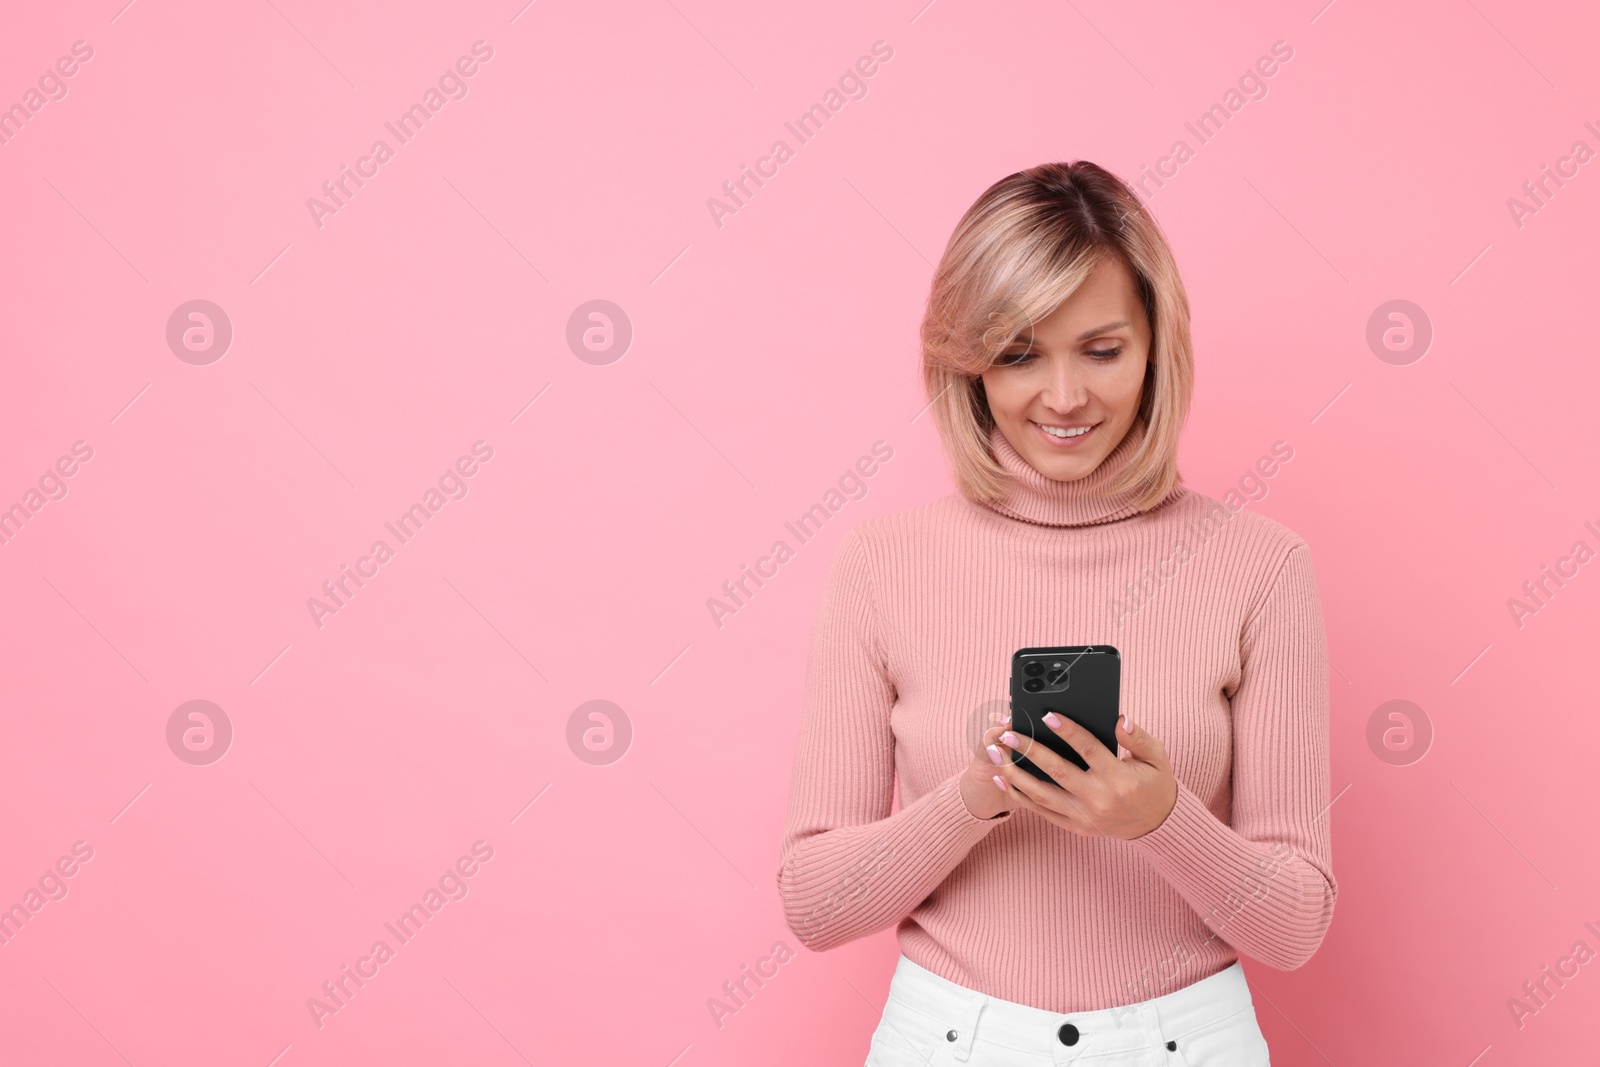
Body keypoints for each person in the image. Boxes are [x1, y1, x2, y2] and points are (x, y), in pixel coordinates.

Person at [776, 161, 1336, 1066]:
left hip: (1185, 1042)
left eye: (1103, 350)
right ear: (966, 360)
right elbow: (814, 902)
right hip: (950, 1041)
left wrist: (1163, 819)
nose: (1066, 397)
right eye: (1019, 352)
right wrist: (971, 798)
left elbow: (1297, 921)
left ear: (1157, 347)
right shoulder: (882, 565)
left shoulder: (1261, 567)